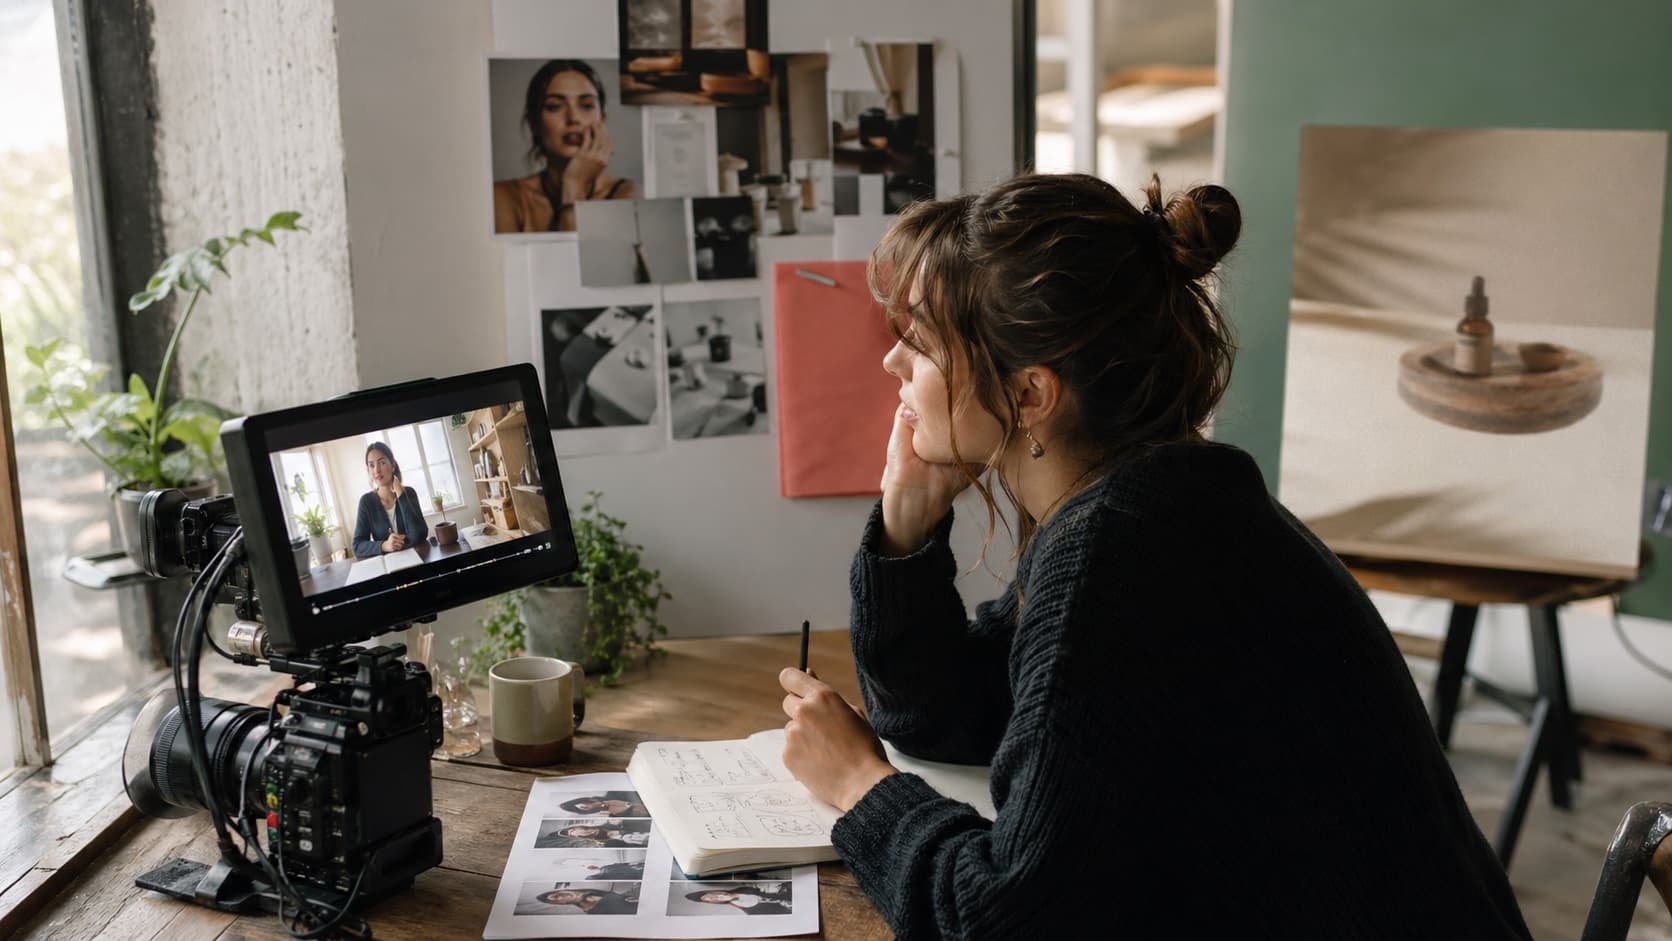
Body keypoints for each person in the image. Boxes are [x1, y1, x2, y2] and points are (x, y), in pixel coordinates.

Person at [774, 173, 1533, 939]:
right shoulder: (1157, 500)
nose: (893, 364)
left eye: (926, 342)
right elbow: (947, 713)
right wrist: (906, 531)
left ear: (1032, 394)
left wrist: (861, 787)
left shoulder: (1120, 556)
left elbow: (1003, 921)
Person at [494, 60, 638, 234]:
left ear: (602, 121)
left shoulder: (627, 194)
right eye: (555, 106)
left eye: (586, 105)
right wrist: (574, 187)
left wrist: (574, 185)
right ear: (535, 123)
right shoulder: (503, 197)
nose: (573, 118)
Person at [352, 442, 428, 559]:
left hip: (416, 560)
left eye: (382, 463)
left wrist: (401, 495)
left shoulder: (409, 493)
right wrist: (384, 545)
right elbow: (357, 546)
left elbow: (419, 535)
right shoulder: (366, 502)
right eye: (371, 465)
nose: (376, 470)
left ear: (393, 465)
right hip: (389, 567)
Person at [684, 884, 791, 915]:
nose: (717, 896)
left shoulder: (746, 887)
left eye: (713, 894)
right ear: (715, 903)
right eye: (712, 899)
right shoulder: (750, 911)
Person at [533, 886, 639, 915]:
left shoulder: (593, 892)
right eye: (556, 898)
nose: (561, 895)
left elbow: (619, 897)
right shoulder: (592, 912)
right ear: (561, 903)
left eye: (557, 893)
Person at [558, 792, 650, 817]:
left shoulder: (615, 793)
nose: (589, 807)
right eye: (585, 808)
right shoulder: (615, 813)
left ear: (591, 799)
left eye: (586, 804)